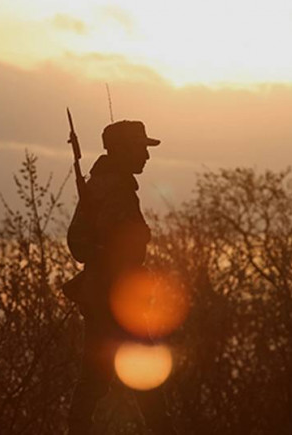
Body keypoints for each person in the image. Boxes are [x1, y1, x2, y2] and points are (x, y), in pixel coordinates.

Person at [65, 120, 174, 435]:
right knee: (144, 373)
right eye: (141, 148)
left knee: (96, 378)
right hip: (115, 301)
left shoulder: (102, 185)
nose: (146, 157)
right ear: (123, 149)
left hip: (105, 297)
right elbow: (88, 245)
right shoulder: (115, 188)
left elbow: (80, 244)